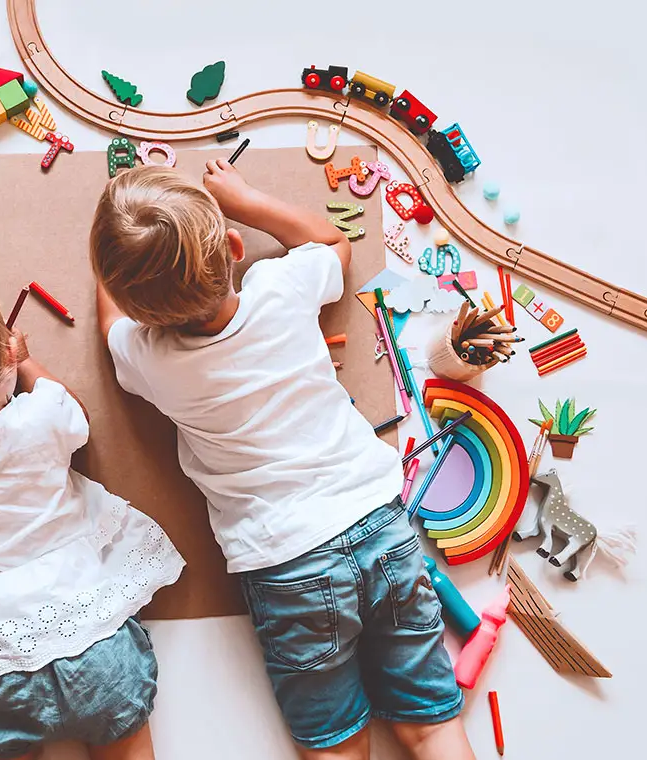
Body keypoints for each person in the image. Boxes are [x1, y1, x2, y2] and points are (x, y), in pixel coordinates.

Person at [89, 162, 475, 760]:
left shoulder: (149, 359)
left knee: (337, 746)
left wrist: (111, 269)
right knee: (431, 724)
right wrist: (244, 199)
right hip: (379, 525)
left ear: (142, 312)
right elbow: (333, 243)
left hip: (286, 562)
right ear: (234, 247)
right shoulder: (281, 286)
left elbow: (110, 324)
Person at [0, 264, 185, 760]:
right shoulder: (40, 415)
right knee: (125, 740)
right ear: (6, 351)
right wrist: (27, 363)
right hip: (88, 630)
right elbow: (77, 416)